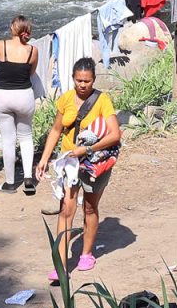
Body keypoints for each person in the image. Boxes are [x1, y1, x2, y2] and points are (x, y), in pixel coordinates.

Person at [35, 57, 122, 284]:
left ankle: (86, 253)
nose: (83, 85)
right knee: (66, 210)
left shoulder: (102, 100)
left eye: (87, 81)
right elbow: (56, 130)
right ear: (73, 79)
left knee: (90, 208)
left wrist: (88, 148)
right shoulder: (66, 99)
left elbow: (114, 134)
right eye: (79, 80)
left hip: (94, 161)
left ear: (93, 80)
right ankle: (60, 265)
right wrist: (44, 158)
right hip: (69, 162)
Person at [0, 16, 39, 194]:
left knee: (8, 140)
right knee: (26, 137)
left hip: (2, 96)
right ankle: (28, 179)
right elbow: (31, 73)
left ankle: (10, 183)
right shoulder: (33, 50)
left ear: (13, 28)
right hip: (24, 96)